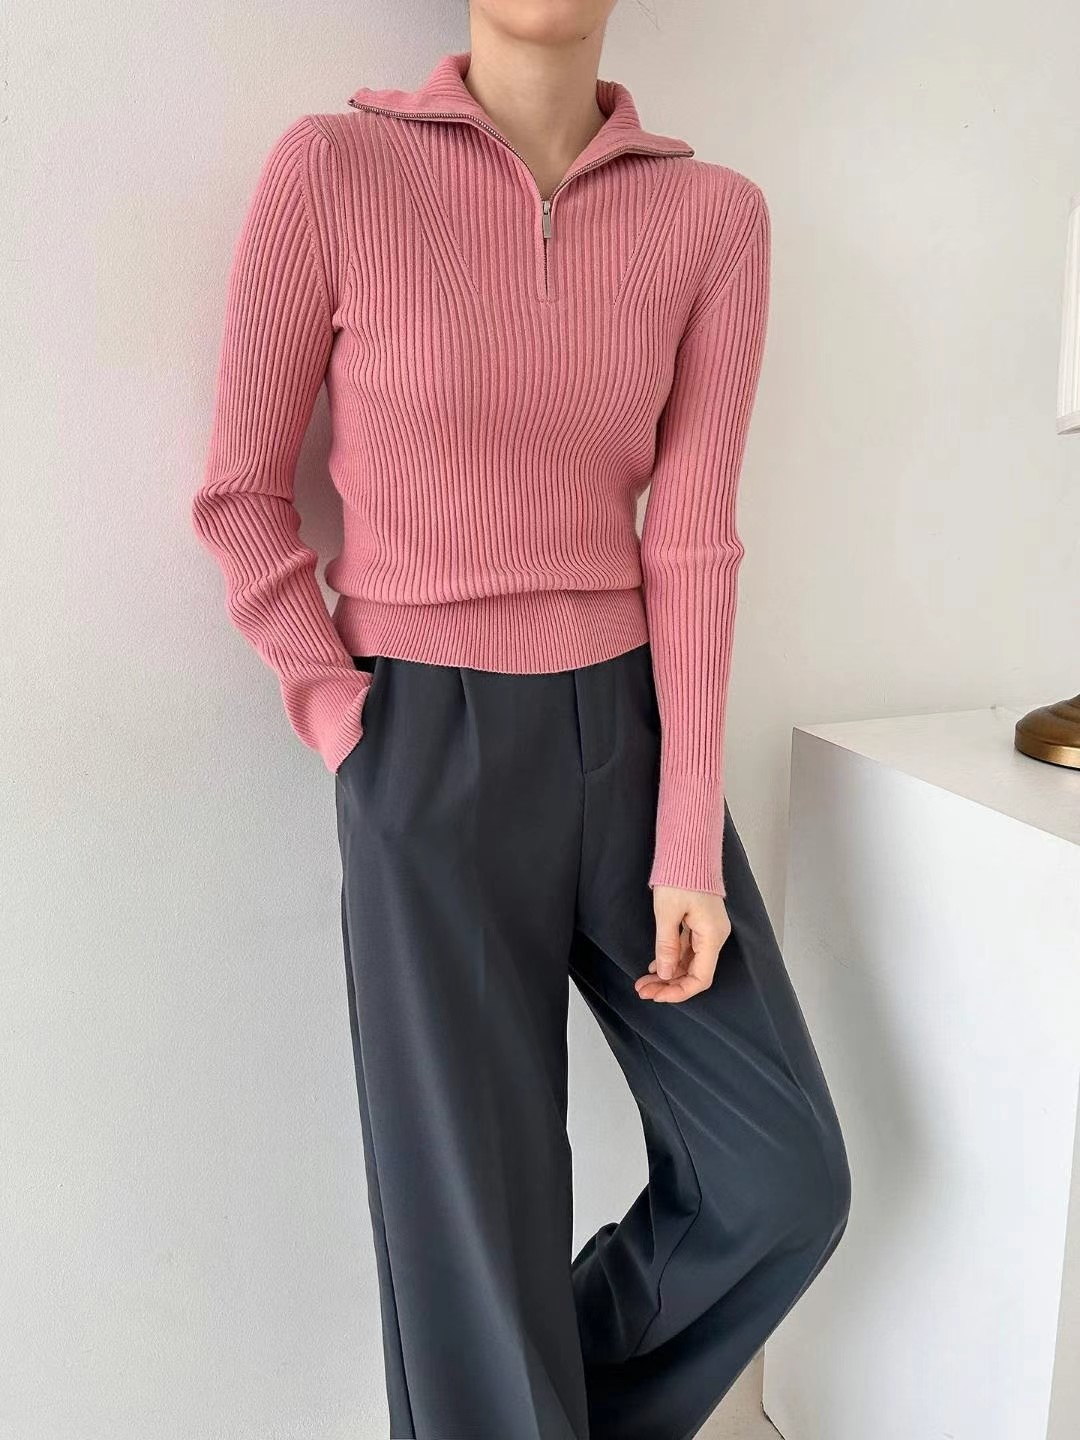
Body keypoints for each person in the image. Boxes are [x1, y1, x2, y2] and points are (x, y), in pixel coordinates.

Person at [191, 7, 851, 1438]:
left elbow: (693, 539)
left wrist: (688, 834)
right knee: (473, 1243)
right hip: (423, 741)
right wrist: (345, 713)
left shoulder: (711, 216)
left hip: (630, 736)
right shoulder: (335, 169)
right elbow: (241, 492)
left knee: (780, 1182)